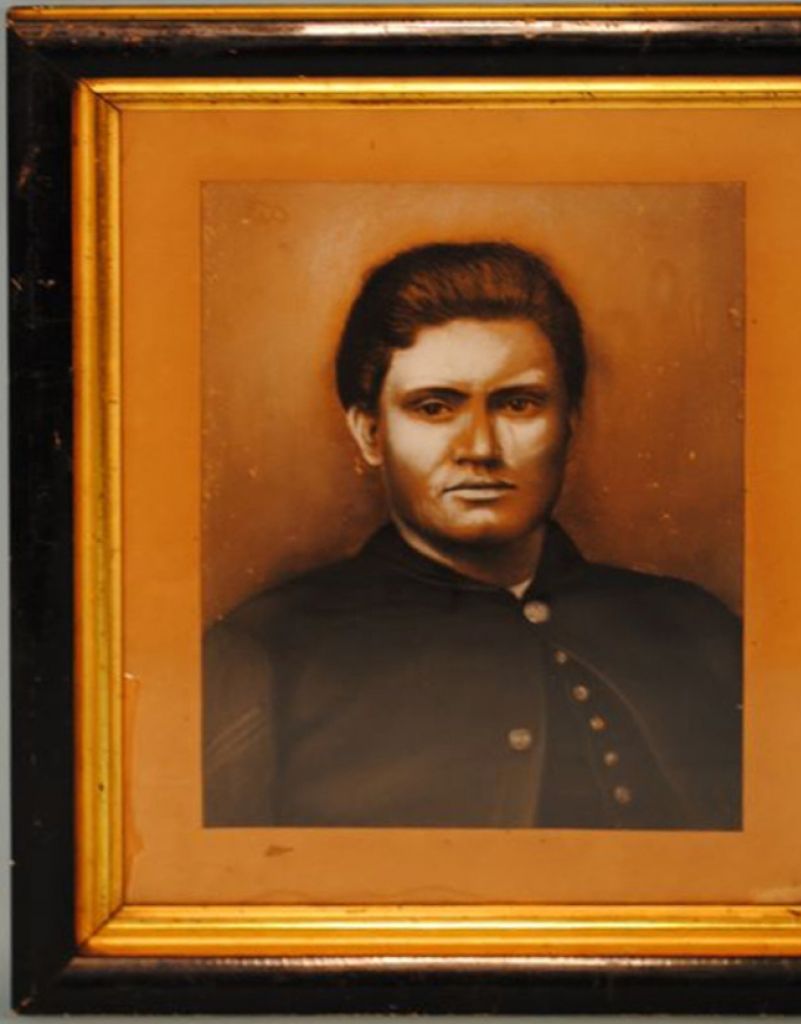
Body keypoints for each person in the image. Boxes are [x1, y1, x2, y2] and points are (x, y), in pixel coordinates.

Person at [203, 241, 742, 830]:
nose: (480, 448)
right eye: (435, 408)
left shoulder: (699, 631)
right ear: (370, 433)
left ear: (570, 422)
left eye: (519, 404)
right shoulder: (265, 653)